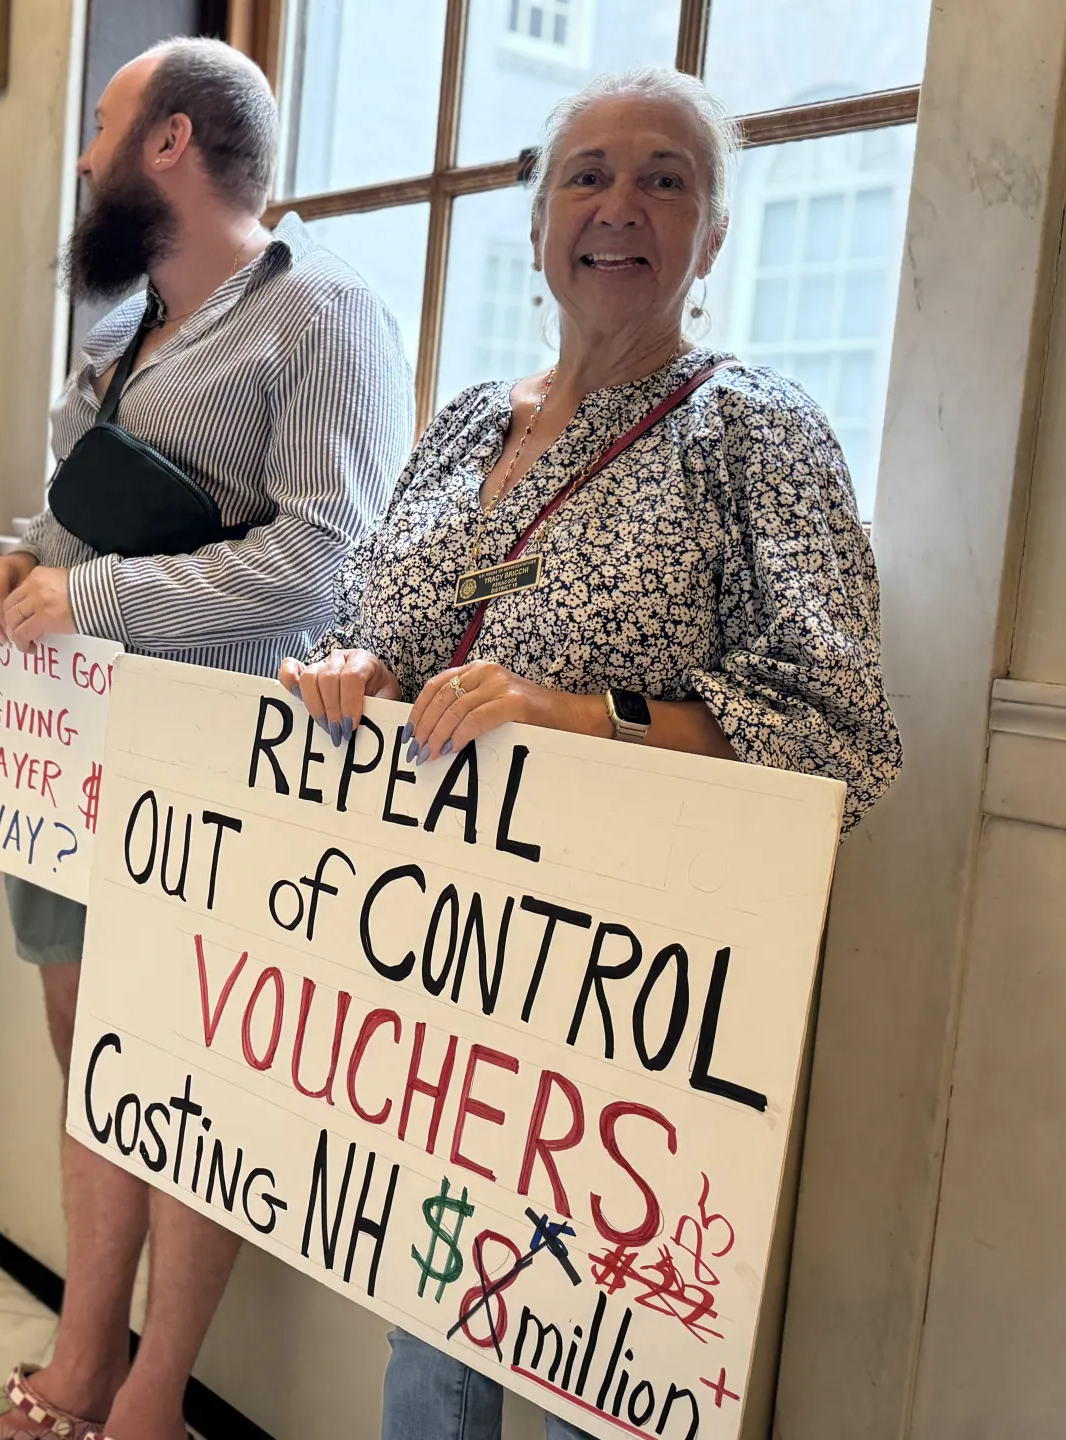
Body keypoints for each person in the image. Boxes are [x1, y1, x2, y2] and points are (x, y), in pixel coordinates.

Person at [279, 68, 902, 1440]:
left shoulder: (757, 430)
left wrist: (582, 716)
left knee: (594, 1375)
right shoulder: (464, 422)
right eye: (589, 174)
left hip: (626, 997)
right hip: (440, 964)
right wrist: (360, 670)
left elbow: (838, 739)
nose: (621, 205)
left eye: (667, 177)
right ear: (540, 217)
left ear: (716, 231)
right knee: (432, 1339)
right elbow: (384, 617)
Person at [0, 38, 414, 1440]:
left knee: (195, 1079)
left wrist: (86, 596)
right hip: (74, 756)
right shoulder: (118, 334)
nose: (82, 160)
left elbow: (330, 565)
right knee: (96, 1063)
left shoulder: (326, 311)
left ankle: (148, 1403)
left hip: (222, 771)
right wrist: (12, 568)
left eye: (100, 130)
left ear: (173, 145)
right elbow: (72, 529)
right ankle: (73, 1371)